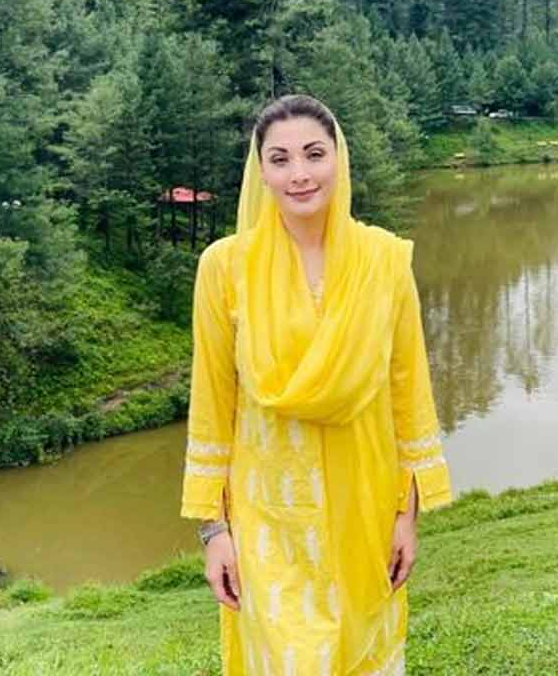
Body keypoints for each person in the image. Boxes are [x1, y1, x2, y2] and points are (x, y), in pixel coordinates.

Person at [181, 94, 453, 675]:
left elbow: (407, 393)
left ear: (338, 159)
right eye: (279, 160)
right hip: (267, 517)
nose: (299, 174)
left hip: (365, 507)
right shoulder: (224, 268)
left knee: (363, 654)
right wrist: (214, 531)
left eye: (313, 154)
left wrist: (406, 515)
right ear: (261, 173)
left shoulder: (383, 261)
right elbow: (212, 403)